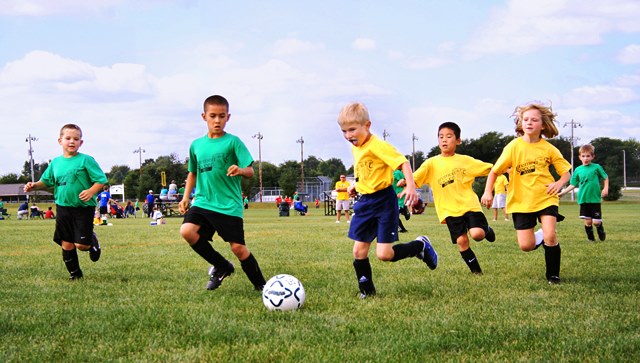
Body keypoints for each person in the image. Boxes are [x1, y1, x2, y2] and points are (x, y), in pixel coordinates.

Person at [337, 102, 438, 298]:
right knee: (359, 251)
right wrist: (355, 185)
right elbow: (367, 172)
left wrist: (411, 186)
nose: (348, 135)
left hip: (384, 202)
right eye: (344, 131)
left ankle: (420, 246)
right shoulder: (356, 148)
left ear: (367, 125)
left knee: (384, 254)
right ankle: (367, 292)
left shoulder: (378, 146)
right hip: (365, 203)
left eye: (352, 129)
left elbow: (403, 162)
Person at [178, 94, 266, 292]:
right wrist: (185, 197)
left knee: (238, 248)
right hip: (203, 201)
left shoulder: (233, 142)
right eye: (213, 116)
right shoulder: (196, 145)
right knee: (187, 231)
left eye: (222, 116)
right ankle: (222, 266)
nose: (217, 120)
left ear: (228, 117)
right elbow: (193, 173)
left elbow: (250, 171)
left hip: (228, 204)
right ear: (204, 117)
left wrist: (240, 170)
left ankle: (261, 286)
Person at [481, 102, 571, 285]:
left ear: (543, 125)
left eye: (534, 120)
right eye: (525, 119)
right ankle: (541, 235)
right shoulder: (513, 147)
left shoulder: (549, 148)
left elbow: (566, 173)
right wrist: (487, 192)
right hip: (521, 202)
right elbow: (494, 171)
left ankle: (553, 275)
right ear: (521, 123)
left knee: (551, 236)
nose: (529, 122)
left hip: (546, 197)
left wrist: (559, 183)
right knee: (526, 246)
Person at [24, 124, 107, 280]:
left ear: (81, 143)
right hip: (63, 207)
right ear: (60, 141)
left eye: (76, 139)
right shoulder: (55, 163)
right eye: (68, 138)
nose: (71, 141)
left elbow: (101, 181)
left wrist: (91, 191)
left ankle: (92, 240)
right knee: (66, 243)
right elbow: (46, 180)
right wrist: (34, 185)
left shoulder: (86, 160)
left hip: (83, 207)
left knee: (81, 246)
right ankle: (75, 274)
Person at [413, 122, 495, 275]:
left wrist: (507, 167)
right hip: (449, 210)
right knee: (461, 241)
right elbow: (415, 178)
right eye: (441, 136)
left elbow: (491, 169)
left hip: (469, 205)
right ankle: (477, 272)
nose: (444, 140)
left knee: (477, 234)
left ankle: (486, 230)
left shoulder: (465, 160)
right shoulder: (431, 163)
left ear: (458, 140)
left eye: (449, 136)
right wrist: (405, 181)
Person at [558, 144, 609, 241]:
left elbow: (605, 177)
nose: (586, 158)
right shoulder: (578, 170)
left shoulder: (596, 167)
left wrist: (605, 188)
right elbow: (573, 184)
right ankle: (591, 239)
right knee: (588, 221)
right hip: (583, 199)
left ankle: (600, 229)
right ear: (580, 157)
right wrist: (562, 193)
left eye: (588, 156)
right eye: (583, 156)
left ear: (592, 156)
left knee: (596, 222)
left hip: (594, 199)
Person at [393, 167, 410, 233]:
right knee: (393, 214)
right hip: (392, 197)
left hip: (399, 196)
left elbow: (406, 182)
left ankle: (402, 229)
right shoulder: (387, 174)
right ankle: (404, 210)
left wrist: (402, 192)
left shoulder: (397, 172)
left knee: (394, 214)